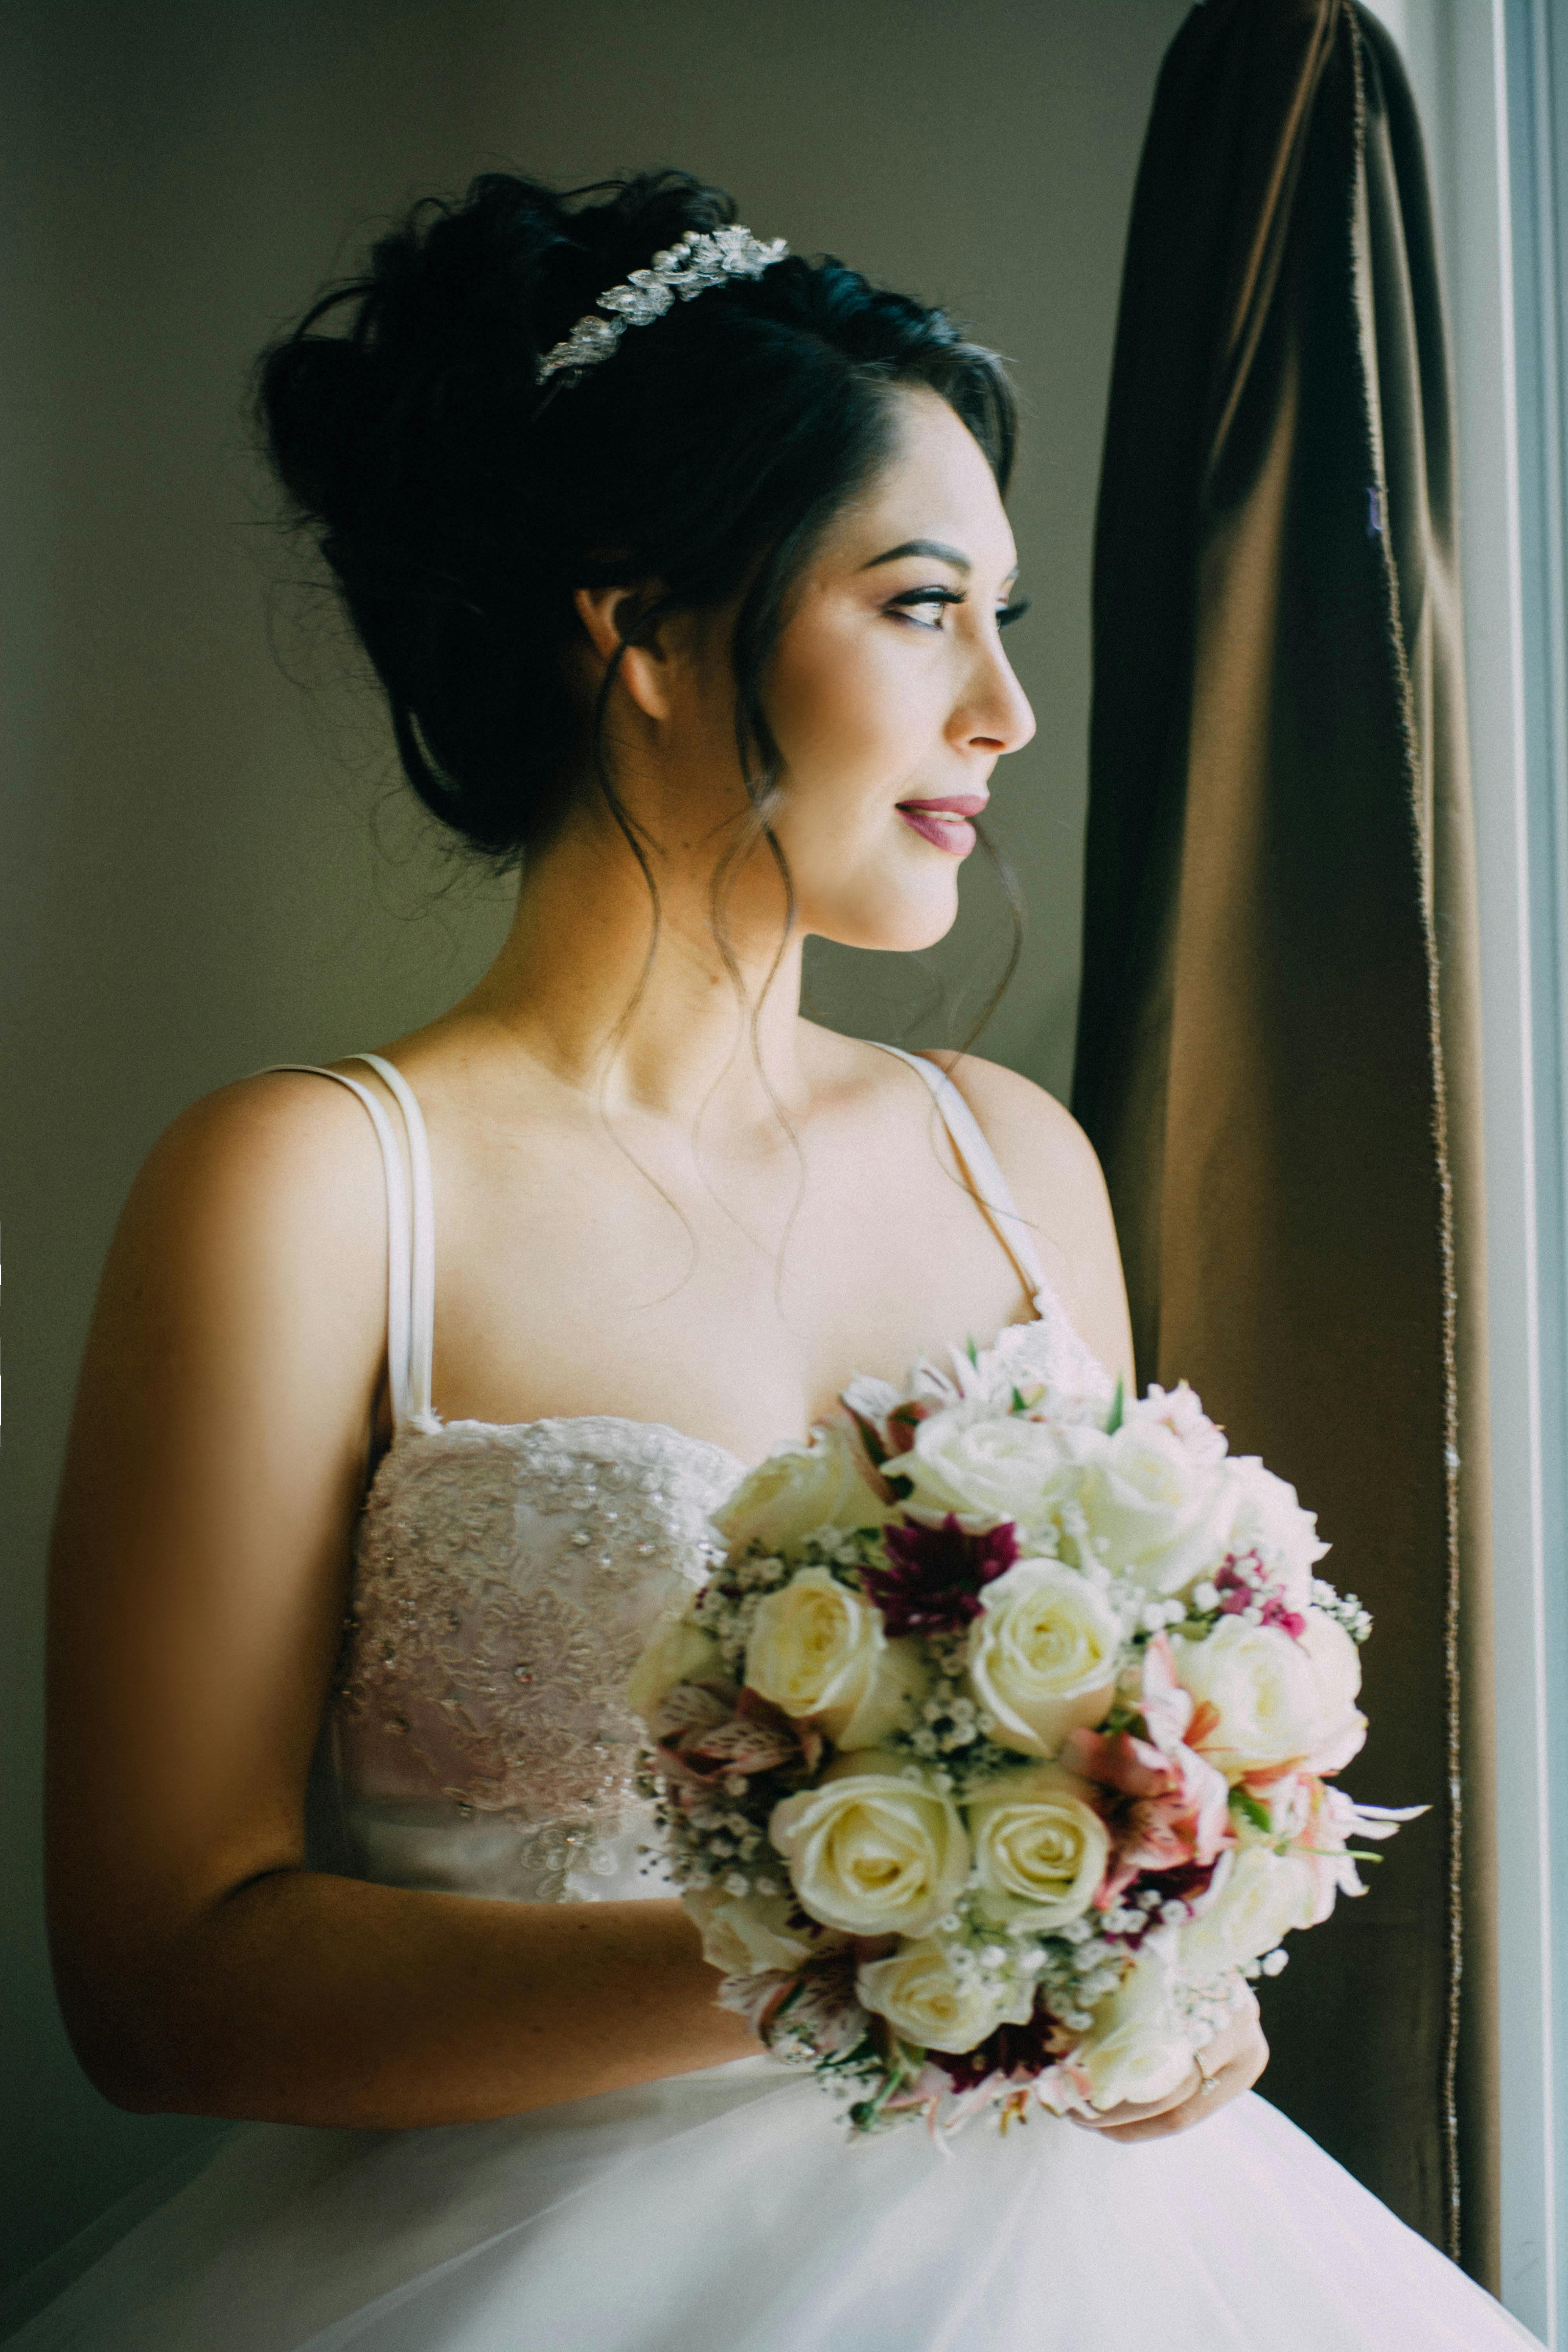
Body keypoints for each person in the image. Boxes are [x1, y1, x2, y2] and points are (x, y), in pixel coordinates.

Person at [14, 169, 1537, 2350]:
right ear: (639, 626)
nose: (1006, 709)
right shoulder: (313, 1189)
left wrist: (1162, 1962)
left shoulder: (1019, 1164)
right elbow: (163, 1984)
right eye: (924, 605)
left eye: (1005, 619)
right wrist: (855, 1960)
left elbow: (1110, 1782)